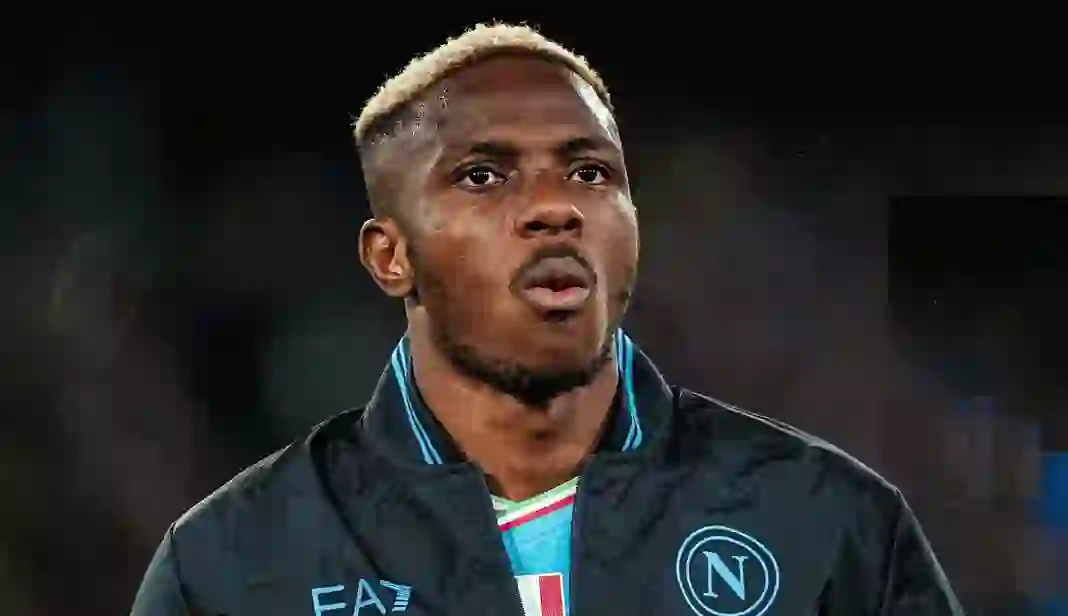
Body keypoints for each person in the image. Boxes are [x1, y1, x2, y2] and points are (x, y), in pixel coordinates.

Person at [130, 23, 964, 616]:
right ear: (391, 257)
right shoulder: (234, 563)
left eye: (591, 173)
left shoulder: (829, 523)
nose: (555, 208)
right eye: (484, 176)